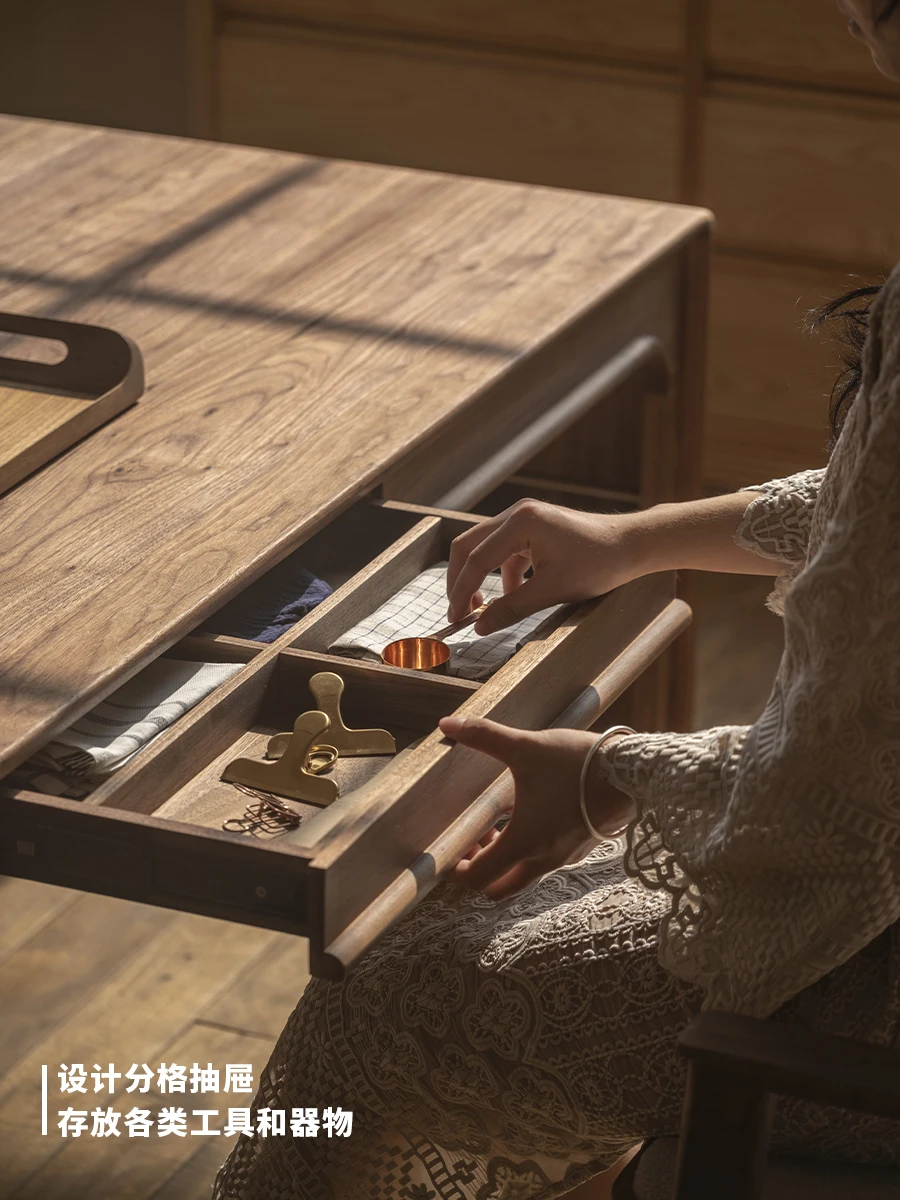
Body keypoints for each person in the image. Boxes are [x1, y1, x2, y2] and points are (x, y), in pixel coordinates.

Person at [213, 5, 900, 1197]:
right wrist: (631, 539)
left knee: (366, 1010)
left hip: (856, 983)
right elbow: (872, 507)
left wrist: (613, 769)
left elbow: (843, 802)